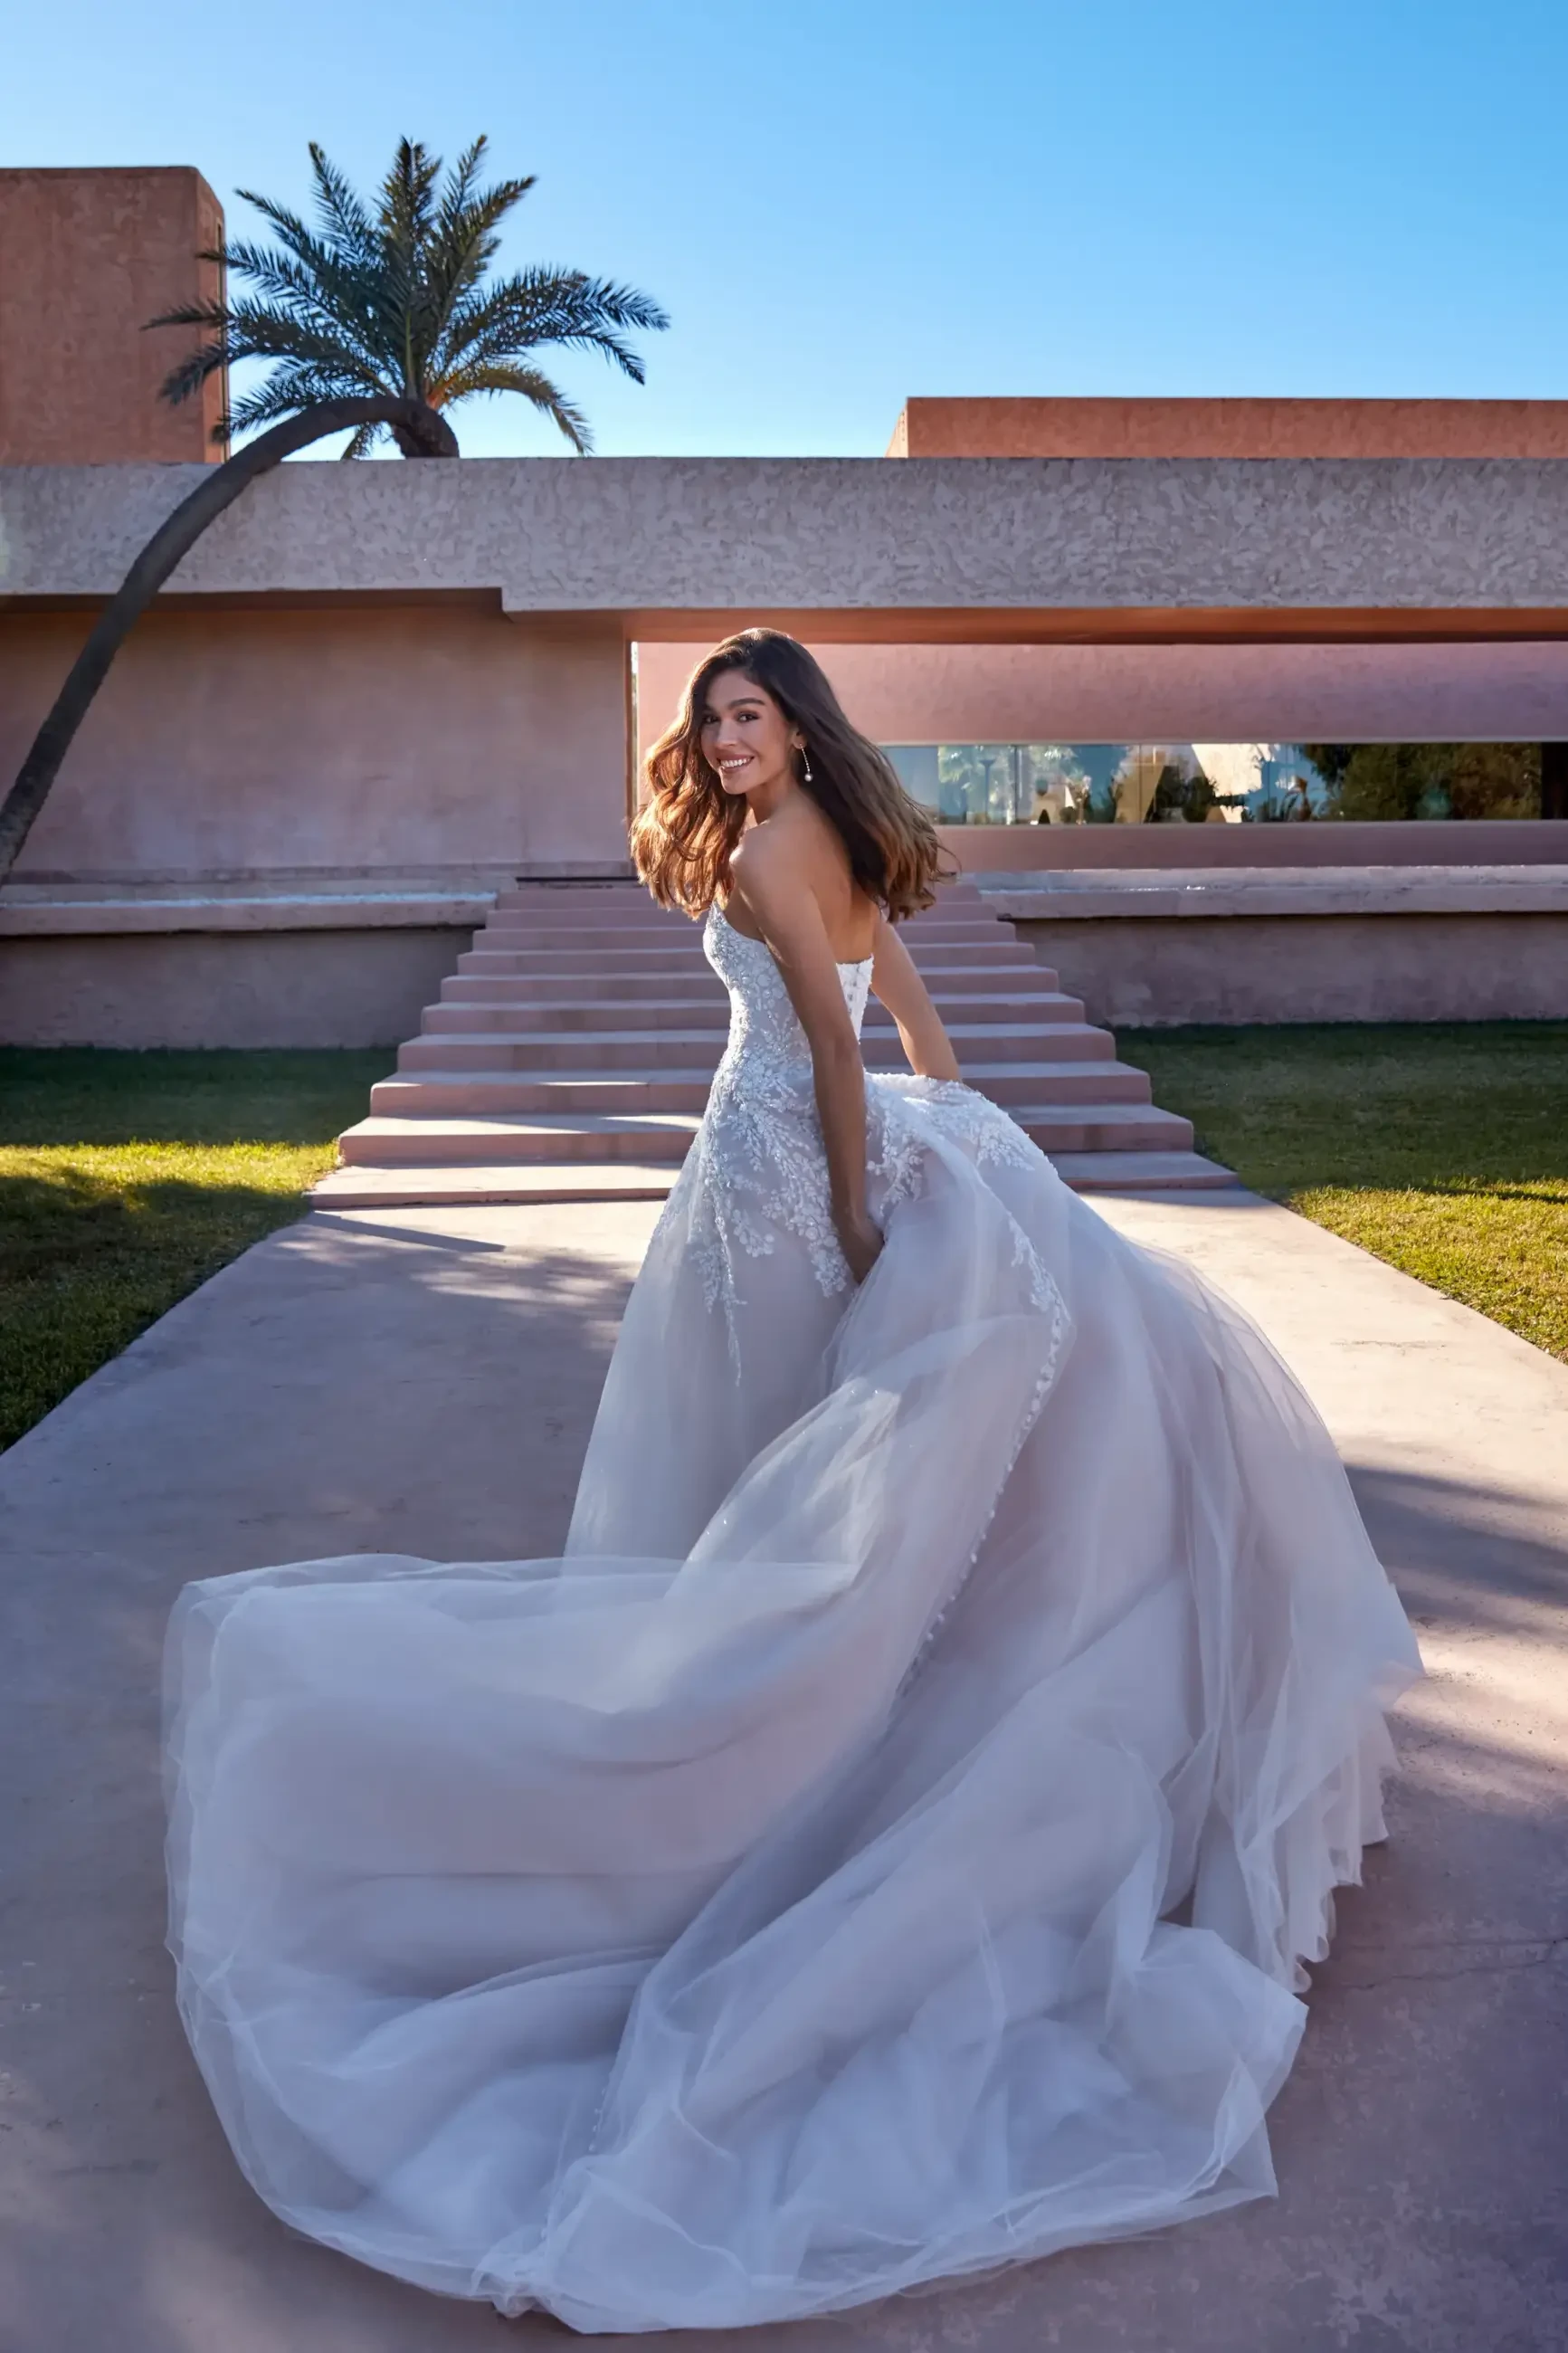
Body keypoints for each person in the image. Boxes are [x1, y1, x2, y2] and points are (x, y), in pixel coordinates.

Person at [164, 629, 1421, 2333]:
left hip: (773, 1187)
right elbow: (905, 1000)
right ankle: (815, 1690)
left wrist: (853, 1215)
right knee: (815, 1481)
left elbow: (838, 1043)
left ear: (800, 725)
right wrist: (965, 1125)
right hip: (795, 1163)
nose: (729, 742)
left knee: (778, 1479)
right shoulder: (826, 829)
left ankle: (759, 1742)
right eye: (712, 721)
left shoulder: (769, 848)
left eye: (750, 716)